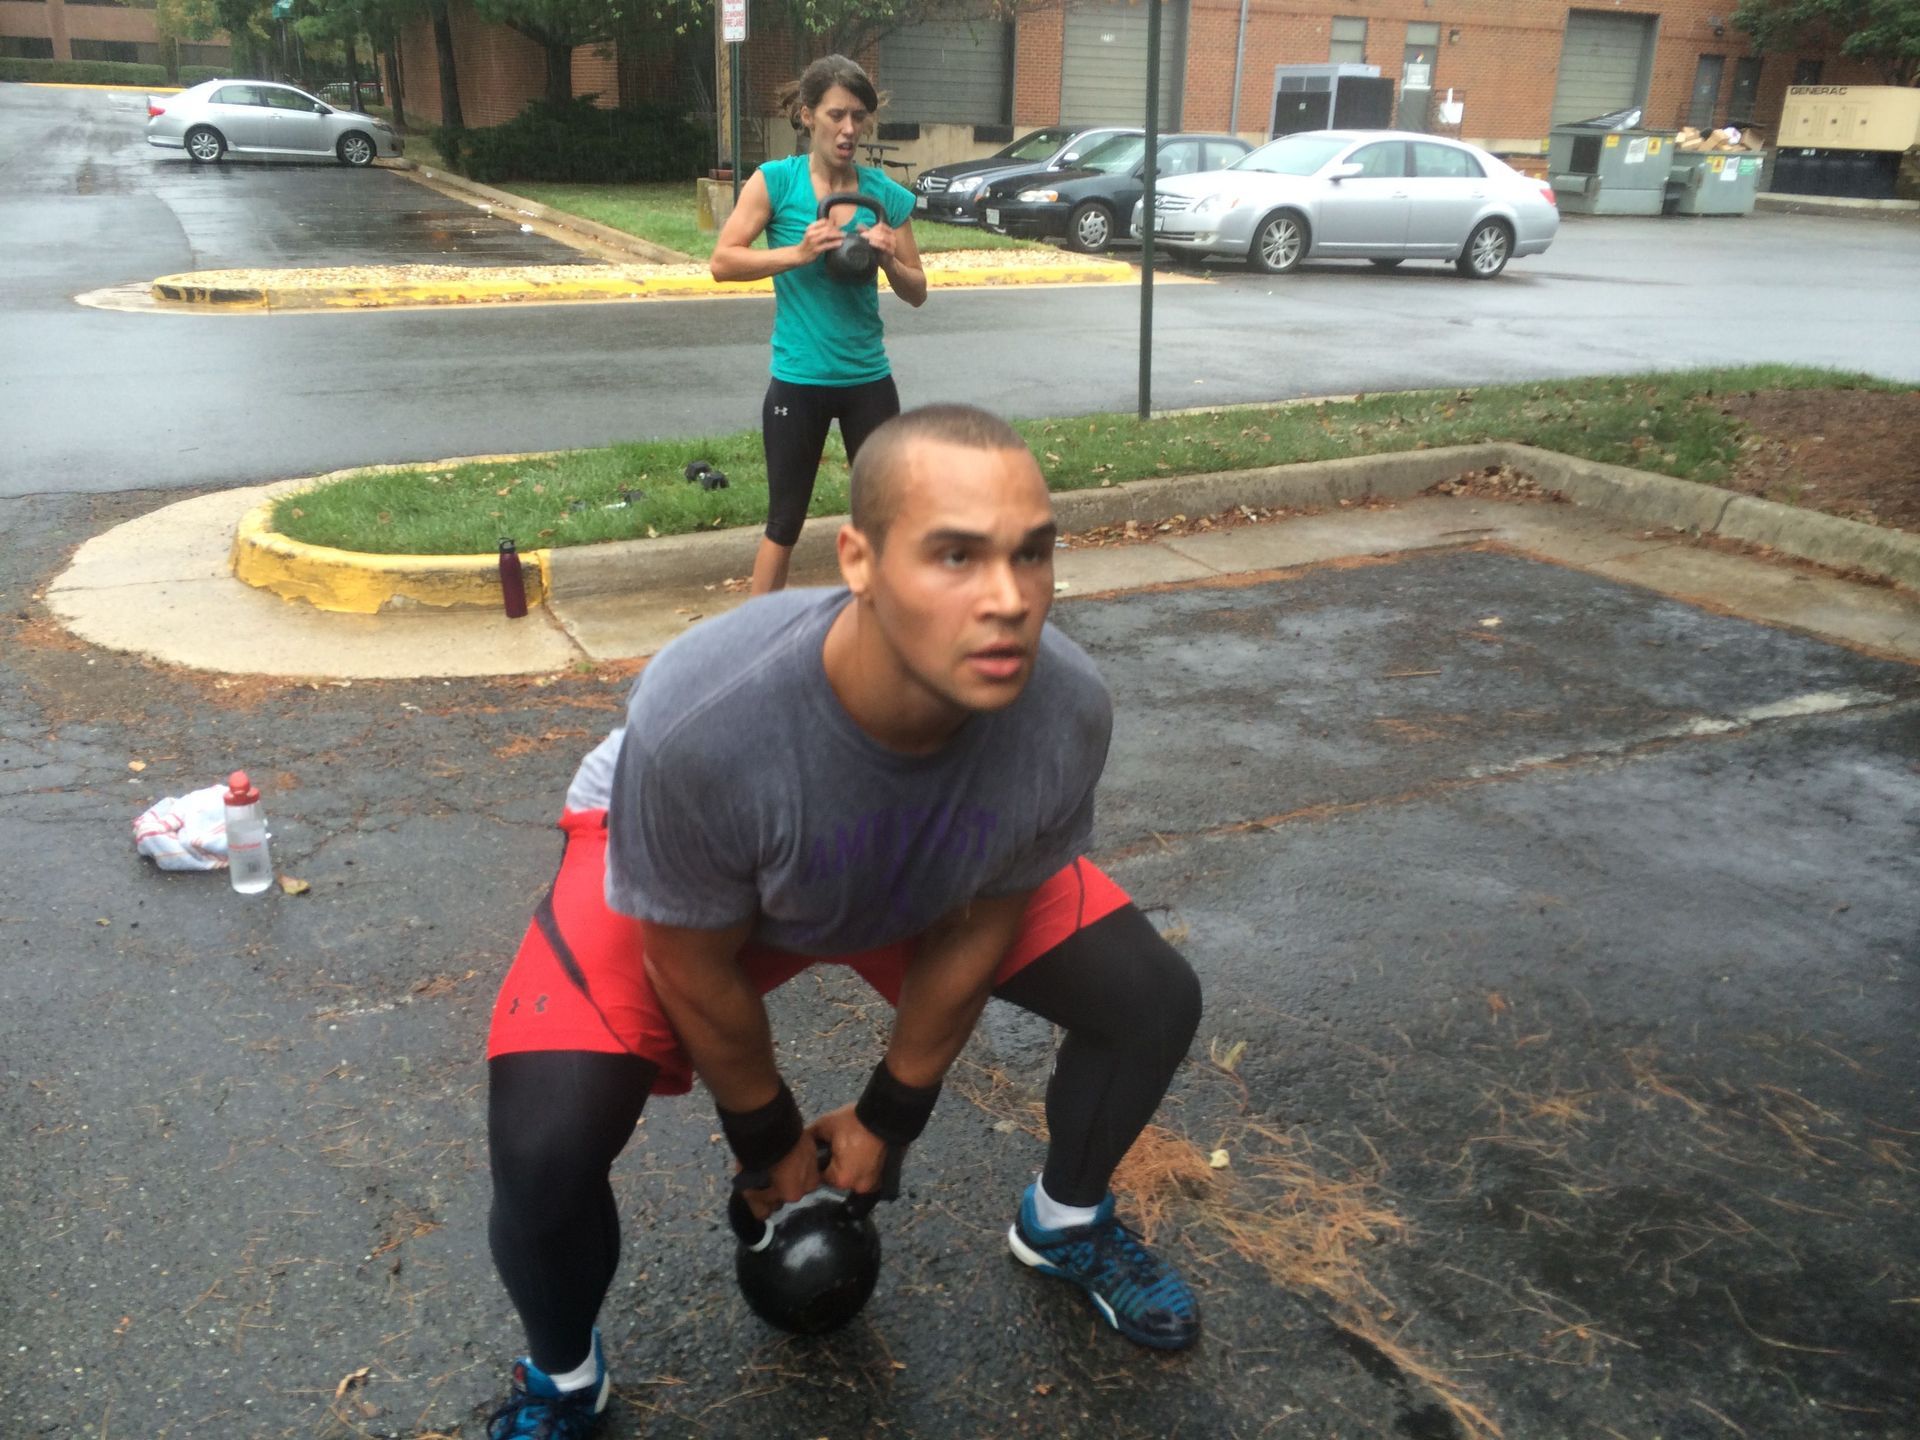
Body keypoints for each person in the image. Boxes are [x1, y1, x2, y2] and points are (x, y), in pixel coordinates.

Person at [483, 405, 1203, 1439]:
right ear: (857, 560)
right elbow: (690, 964)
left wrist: (888, 1119)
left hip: (916, 863)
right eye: (955, 555)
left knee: (1150, 1000)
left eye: (1033, 554)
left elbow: (978, 920)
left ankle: (1067, 1221)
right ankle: (562, 1378)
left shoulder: (1062, 708)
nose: (1008, 601)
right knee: (546, 1147)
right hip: (699, 866)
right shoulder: (701, 719)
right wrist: (768, 1137)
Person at [710, 54, 927, 596]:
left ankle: (884, 631)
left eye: (858, 116)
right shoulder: (775, 183)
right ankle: (756, 643)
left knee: (883, 522)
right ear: (807, 115)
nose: (848, 128)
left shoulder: (884, 197)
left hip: (867, 382)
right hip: (799, 381)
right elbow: (723, 263)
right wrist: (798, 252)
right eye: (836, 115)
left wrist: (888, 260)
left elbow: (918, 290)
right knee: (784, 523)